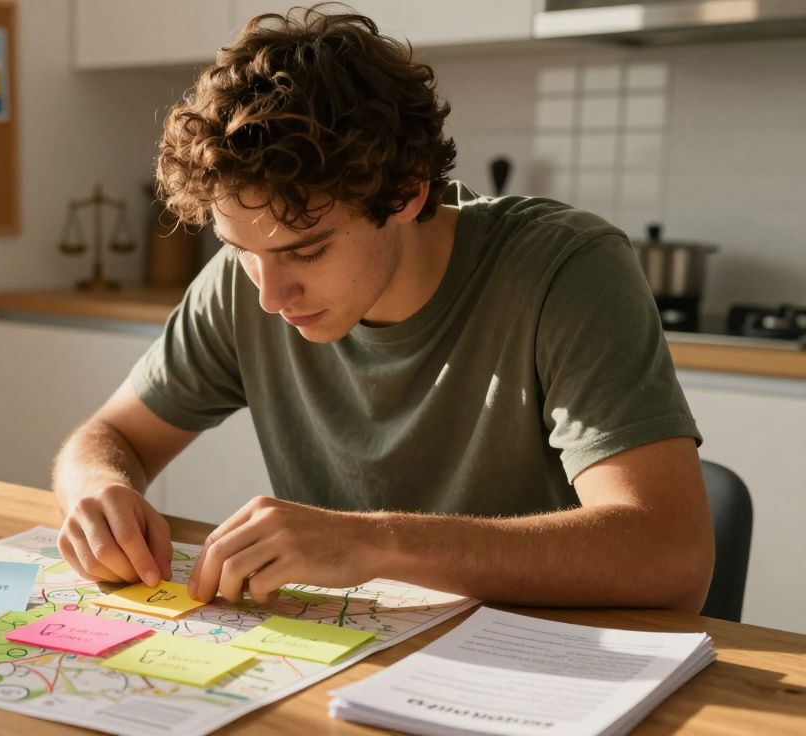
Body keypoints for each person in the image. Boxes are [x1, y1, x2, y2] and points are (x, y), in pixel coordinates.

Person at [51, 7, 714, 613]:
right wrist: (97, 493)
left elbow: (670, 552)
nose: (269, 294)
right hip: (357, 661)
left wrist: (375, 543)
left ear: (404, 192)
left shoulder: (564, 269)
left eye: (306, 251)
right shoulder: (245, 278)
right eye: (237, 247)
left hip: (542, 669)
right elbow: (109, 438)